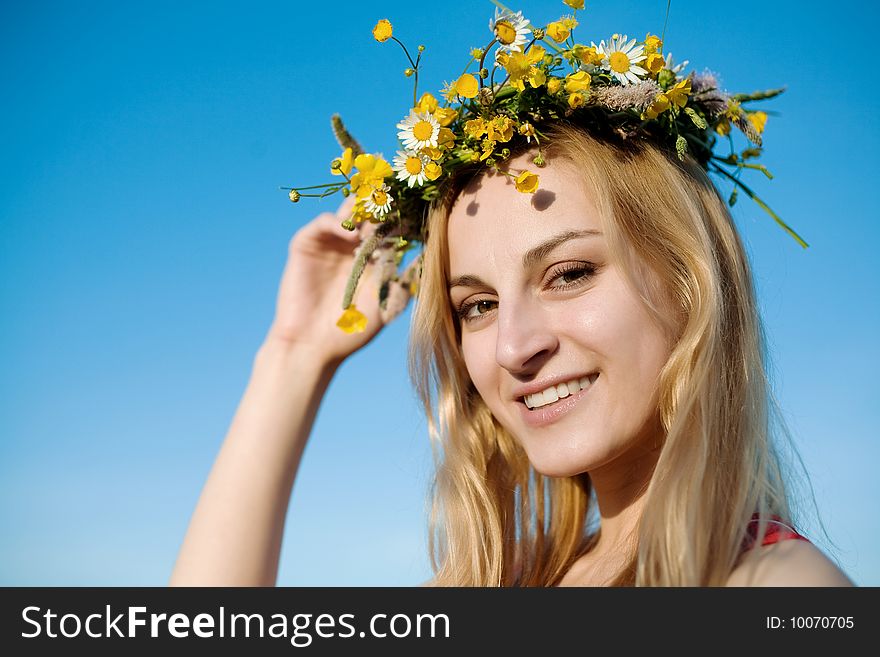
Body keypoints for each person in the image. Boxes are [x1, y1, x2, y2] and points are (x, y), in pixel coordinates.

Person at [170, 9, 853, 587]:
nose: (515, 346)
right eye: (479, 305)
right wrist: (293, 357)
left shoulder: (777, 583)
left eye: (569, 272)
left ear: (687, 280)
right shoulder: (512, 580)